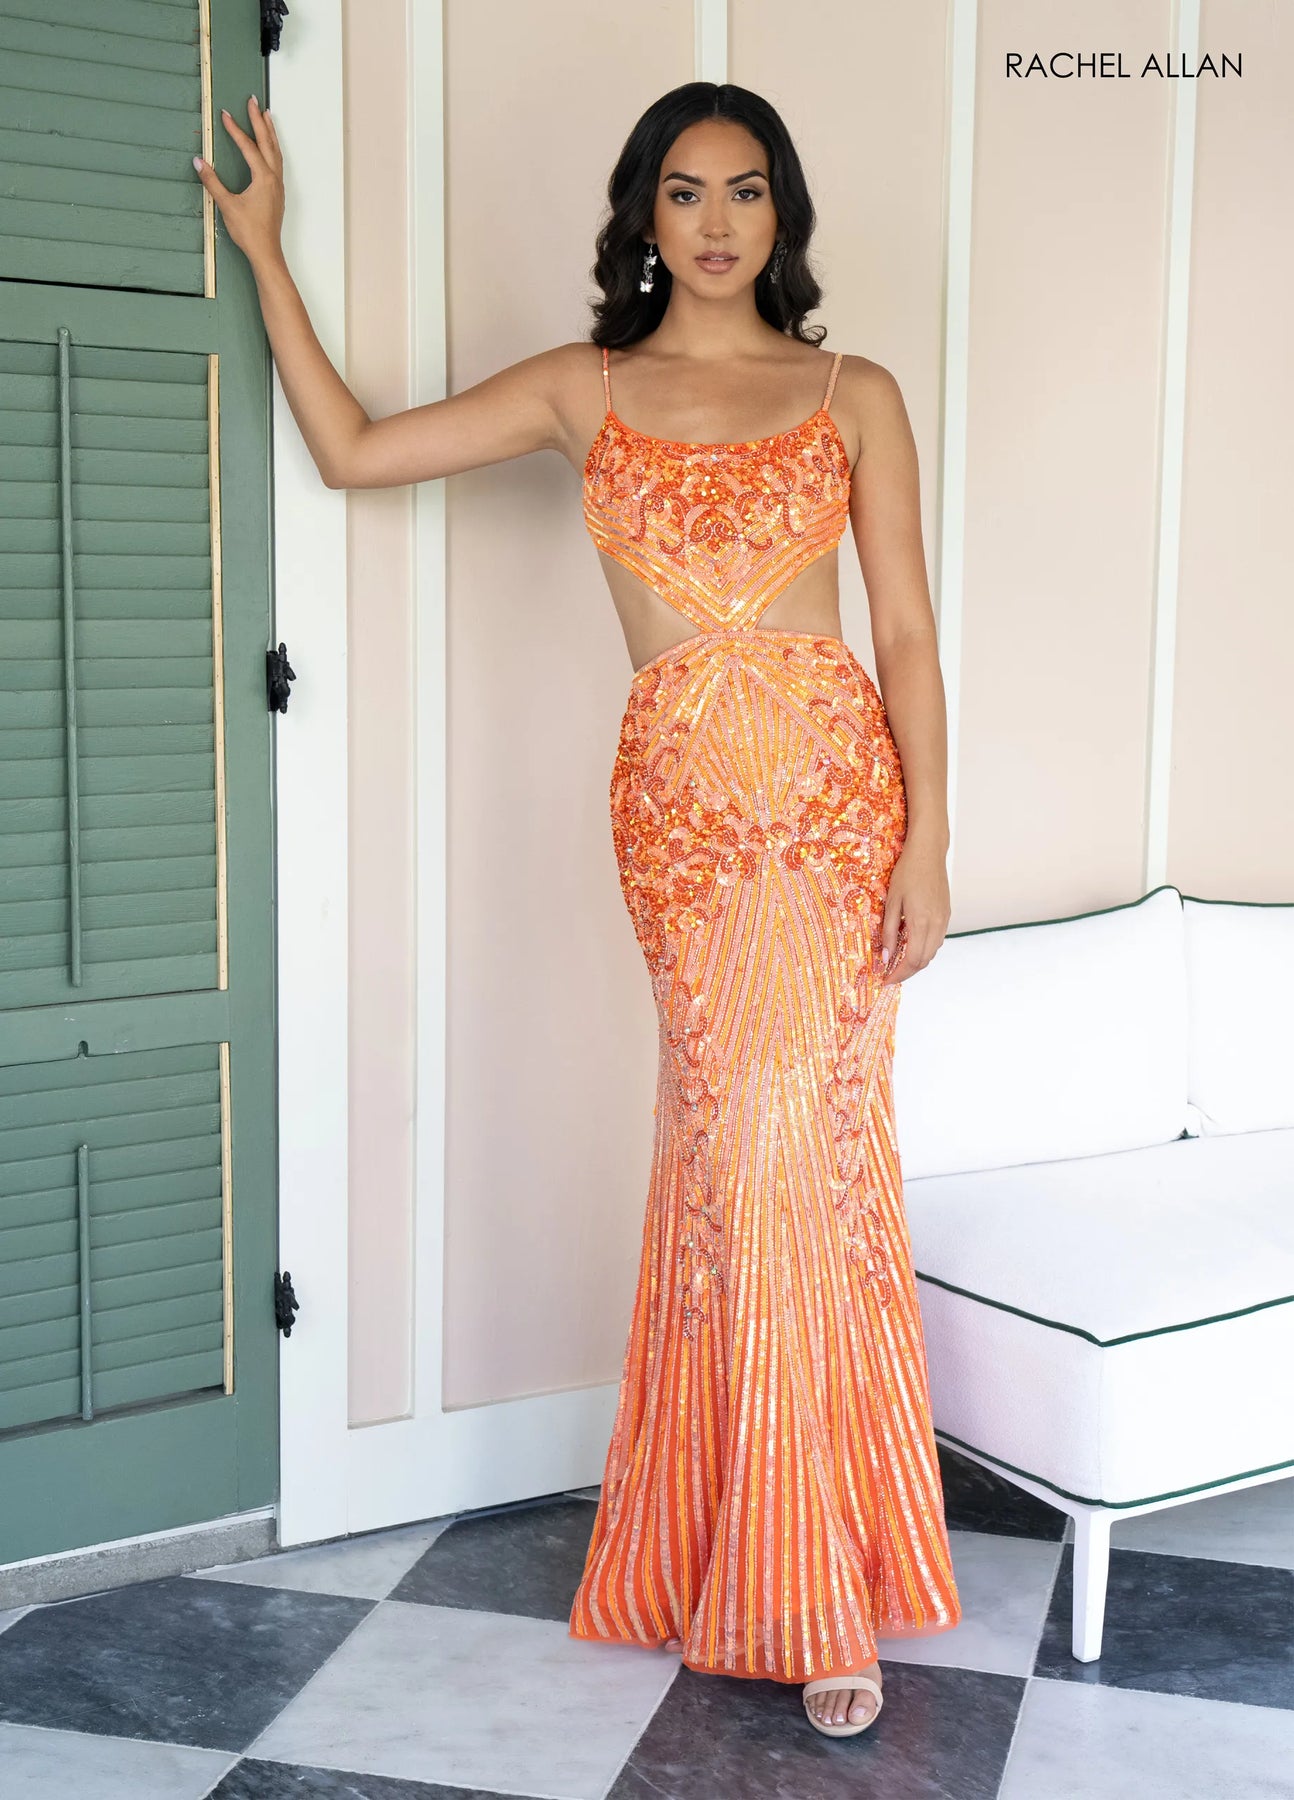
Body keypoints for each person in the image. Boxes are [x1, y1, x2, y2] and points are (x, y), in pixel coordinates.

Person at [196, 77, 962, 1741]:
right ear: (643, 216)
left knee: (802, 1158)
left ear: (781, 213)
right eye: (684, 191)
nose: (715, 221)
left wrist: (928, 845)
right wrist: (265, 254)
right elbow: (352, 453)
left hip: (834, 806)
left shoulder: (854, 392)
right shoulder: (580, 388)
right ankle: (729, 1544)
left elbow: (904, 630)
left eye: (744, 190)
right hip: (682, 814)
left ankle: (809, 1583)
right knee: (730, 1156)